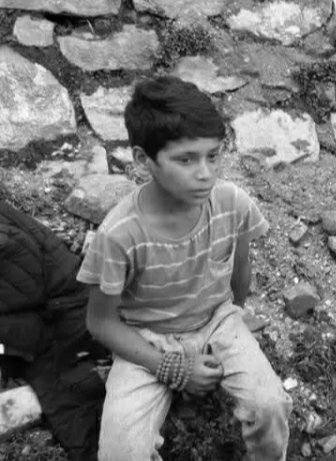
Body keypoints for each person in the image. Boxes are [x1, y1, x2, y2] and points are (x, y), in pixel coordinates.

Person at [77, 76, 292, 461]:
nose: (205, 173)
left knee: (270, 405)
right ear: (143, 159)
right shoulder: (119, 235)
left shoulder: (231, 203)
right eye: (186, 159)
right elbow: (101, 323)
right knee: (120, 451)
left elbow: (240, 268)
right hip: (147, 337)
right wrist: (172, 368)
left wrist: (236, 318)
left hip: (217, 320)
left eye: (213, 155)